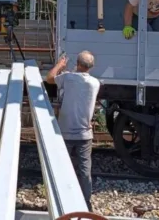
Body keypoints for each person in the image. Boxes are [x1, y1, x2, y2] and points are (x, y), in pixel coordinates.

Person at [47, 51, 101, 211]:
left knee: (63, 167)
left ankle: (63, 200)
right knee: (85, 171)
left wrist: (60, 65)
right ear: (91, 67)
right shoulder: (95, 83)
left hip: (65, 132)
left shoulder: (68, 78)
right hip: (85, 135)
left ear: (77, 64)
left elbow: (49, 78)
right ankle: (86, 203)